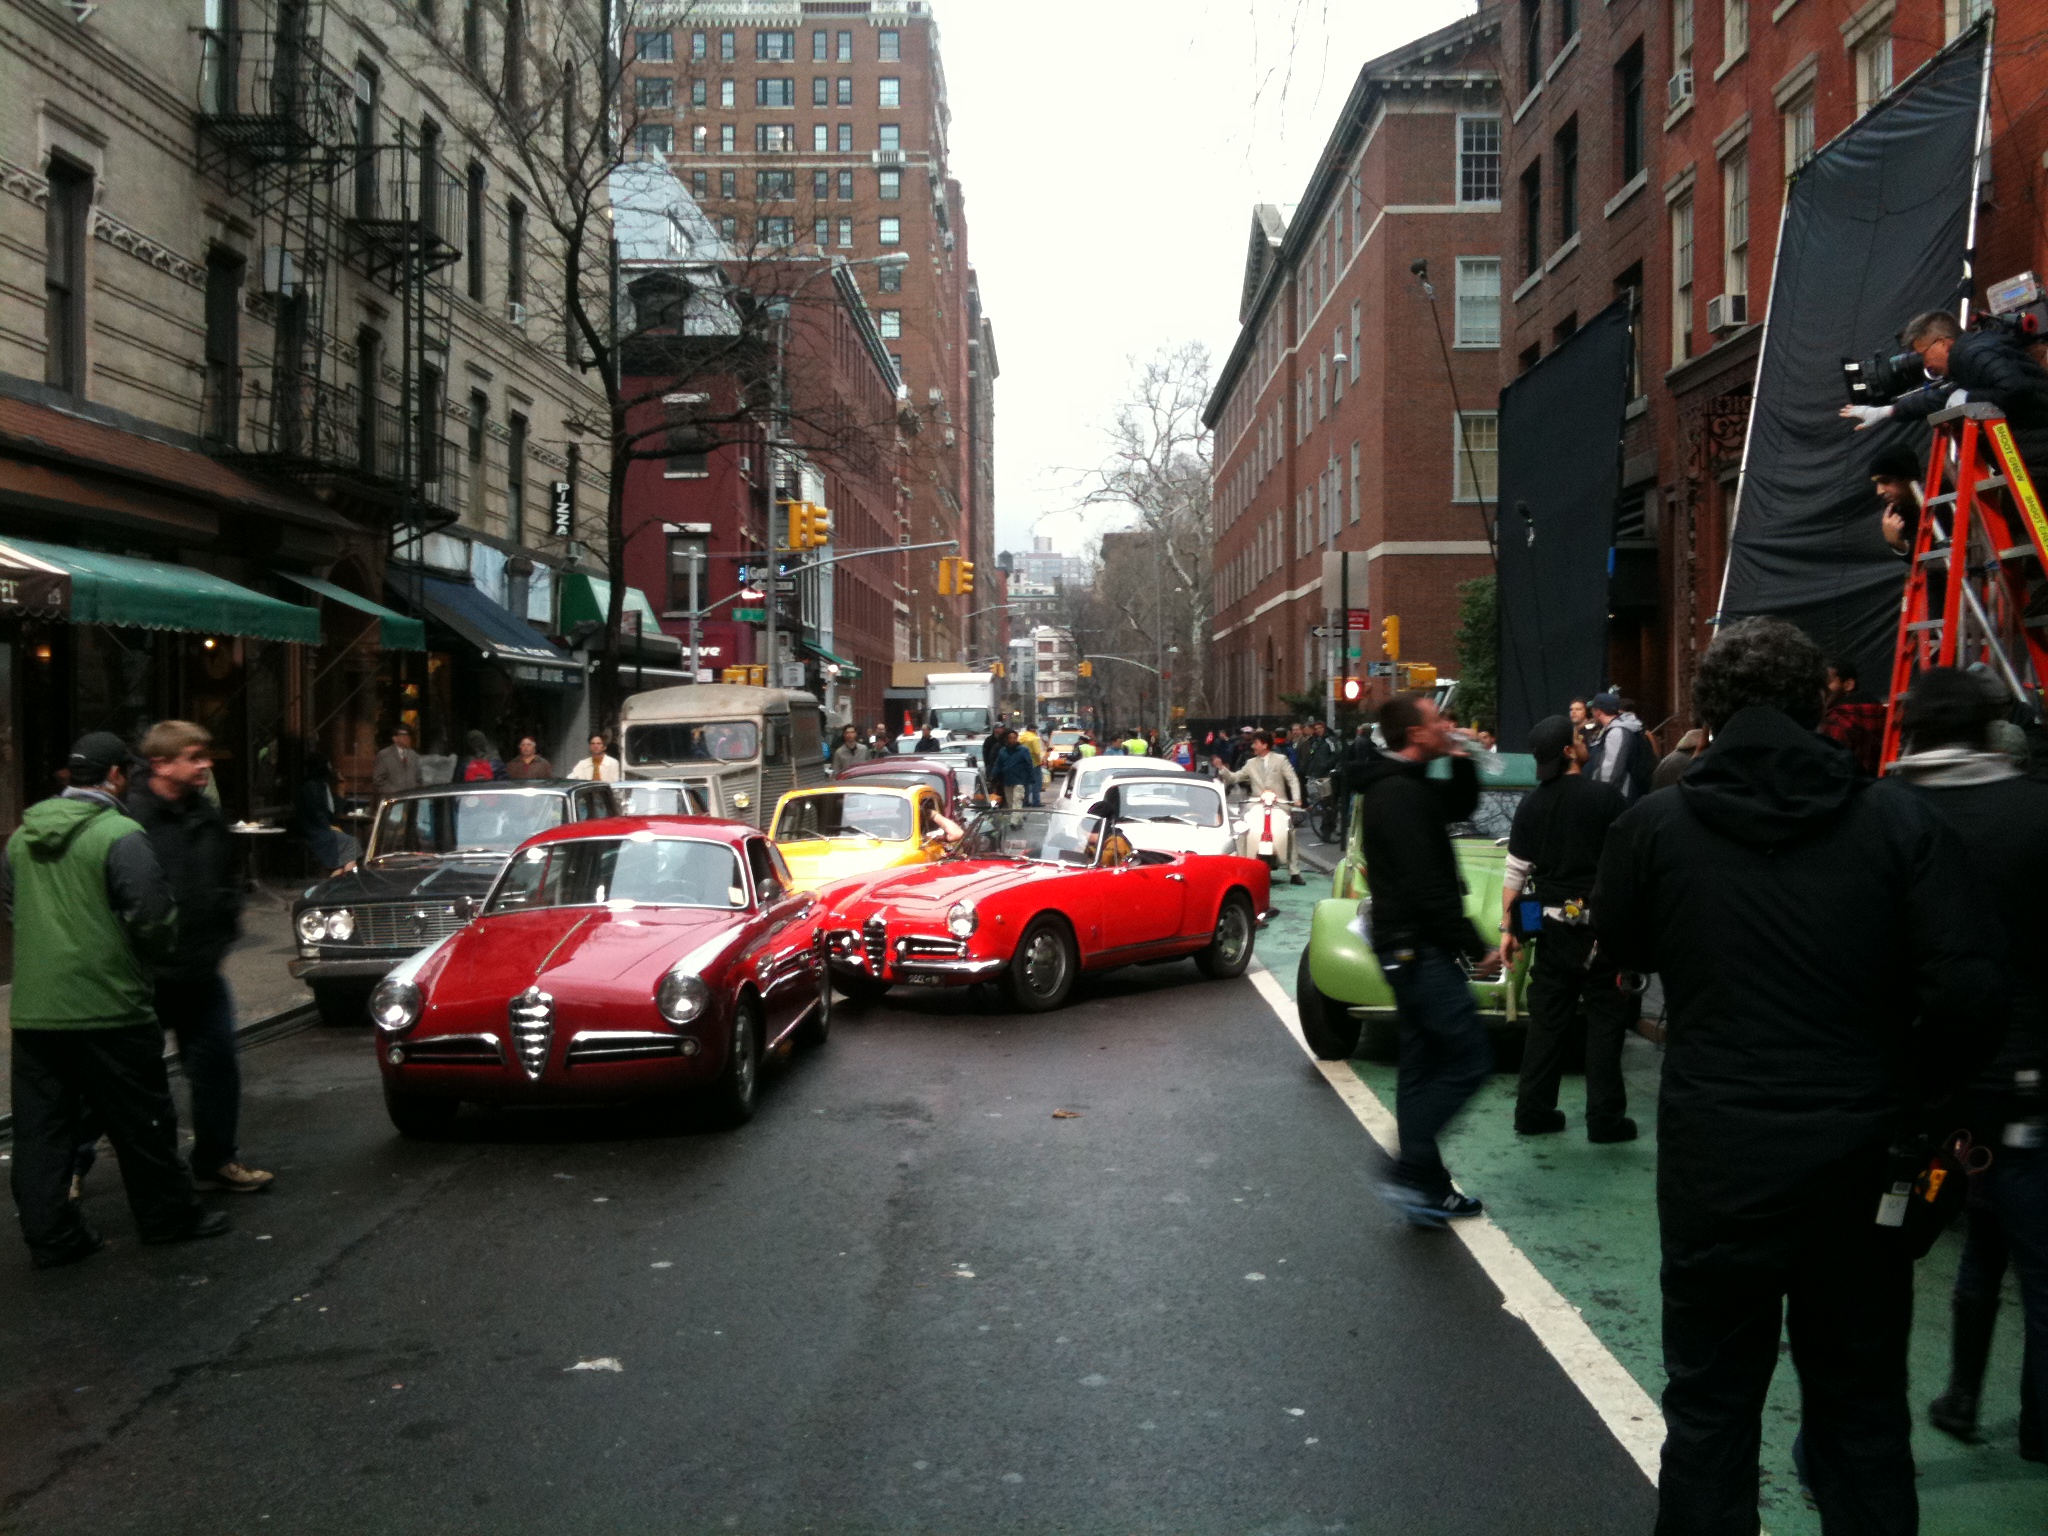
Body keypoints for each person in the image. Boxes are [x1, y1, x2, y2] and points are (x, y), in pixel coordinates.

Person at [1592, 616, 2008, 1535]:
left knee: (1709, 1413)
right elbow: (1971, 991)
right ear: (1820, 701)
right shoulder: (1898, 821)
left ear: (1709, 712)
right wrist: (1921, 1090)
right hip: (1860, 1159)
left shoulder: (1657, 827)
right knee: (1860, 1414)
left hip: (1717, 1157)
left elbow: (1617, 947)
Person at [1886, 667, 2048, 1462]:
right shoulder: (2035, 809)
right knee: (2032, 1253)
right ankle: (2039, 1423)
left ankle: (1943, 1402)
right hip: (2024, 1075)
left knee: (1886, 1258)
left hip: (1911, 1083)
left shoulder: (1882, 813)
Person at [6, 732, 229, 1266]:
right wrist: (143, 955)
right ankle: (167, 1217)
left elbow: (12, 903)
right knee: (143, 1121)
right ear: (113, 777)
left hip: (37, 1009)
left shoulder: (20, 837)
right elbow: (152, 917)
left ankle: (52, 1237)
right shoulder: (119, 834)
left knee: (42, 1131)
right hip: (109, 1003)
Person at [1352, 695, 1498, 1225]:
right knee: (1469, 1059)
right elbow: (1430, 888)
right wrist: (1474, 944)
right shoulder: (1399, 796)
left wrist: (1461, 759)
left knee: (1420, 1068)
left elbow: (1458, 807)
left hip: (1405, 949)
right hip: (1418, 949)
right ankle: (1408, 1169)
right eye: (1439, 722)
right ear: (1416, 734)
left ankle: (1430, 1190)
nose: (1448, 726)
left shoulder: (1403, 788)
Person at [124, 722, 271, 1195]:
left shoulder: (207, 815)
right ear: (162, 764)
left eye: (206, 755)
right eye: (195, 756)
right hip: (145, 974)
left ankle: (215, 1158)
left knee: (216, 1066)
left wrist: (225, 920)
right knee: (121, 1075)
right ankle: (75, 1166)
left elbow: (228, 874)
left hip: (202, 970)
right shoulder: (130, 821)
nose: (206, 764)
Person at [1499, 716, 1635, 1142]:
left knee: (1546, 1022)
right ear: (1567, 751)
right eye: (1579, 737)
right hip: (1601, 928)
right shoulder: (1607, 799)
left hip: (1548, 924)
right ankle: (1605, 1120)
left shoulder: (1532, 805)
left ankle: (1533, 1112)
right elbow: (1629, 866)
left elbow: (1516, 875)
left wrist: (1510, 930)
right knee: (1605, 1022)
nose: (1585, 740)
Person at [1843, 309, 2048, 475]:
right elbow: (1942, 399)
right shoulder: (1968, 358)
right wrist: (1887, 411)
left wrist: (1969, 398)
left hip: (2038, 457)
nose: (1925, 365)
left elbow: (2015, 387)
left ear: (1942, 343)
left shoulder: (1971, 354)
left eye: (1922, 355)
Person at [1212, 730, 1306, 884]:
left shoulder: (1281, 760)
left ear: (1265, 744)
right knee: (1243, 829)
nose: (1253, 746)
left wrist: (1297, 800)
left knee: (1290, 831)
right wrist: (1222, 768)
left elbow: (1292, 779)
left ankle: (1294, 871)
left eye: (1256, 743)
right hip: (1256, 803)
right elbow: (1235, 777)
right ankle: (1241, 864)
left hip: (1279, 803)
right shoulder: (1250, 763)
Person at [294, 748, 359, 875]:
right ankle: (344, 874)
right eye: (328, 765)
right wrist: (328, 827)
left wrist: (341, 789)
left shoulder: (323, 786)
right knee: (351, 842)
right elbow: (317, 813)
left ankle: (341, 872)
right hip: (314, 830)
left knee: (350, 844)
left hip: (324, 827)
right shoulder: (311, 787)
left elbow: (333, 811)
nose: (330, 768)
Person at [1817, 657, 1886, 777]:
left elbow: (1827, 768)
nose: (1821, 689)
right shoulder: (1880, 712)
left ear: (1848, 685)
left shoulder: (1838, 719)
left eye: (1827, 682)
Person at [1584, 692, 1654, 803]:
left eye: (1593, 710)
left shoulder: (1617, 732)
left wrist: (1601, 799)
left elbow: (1611, 773)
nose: (1591, 713)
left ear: (1598, 712)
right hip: (1624, 796)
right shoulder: (1618, 728)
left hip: (1620, 798)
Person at [1871, 445, 1924, 557]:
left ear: (1908, 478)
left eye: (1886, 481)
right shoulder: (1899, 510)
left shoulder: (1941, 499)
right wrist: (1898, 544)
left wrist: (1898, 543)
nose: (1879, 491)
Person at [371, 725, 422, 802]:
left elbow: (419, 778)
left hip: (411, 799)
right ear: (395, 738)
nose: (406, 738)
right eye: (403, 735)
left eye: (408, 735)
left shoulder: (413, 755)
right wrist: (394, 792)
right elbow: (378, 780)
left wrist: (415, 791)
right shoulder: (385, 755)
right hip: (392, 799)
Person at [994, 729, 1036, 809]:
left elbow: (1029, 764)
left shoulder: (1023, 750)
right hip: (1007, 780)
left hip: (1019, 780)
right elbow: (998, 764)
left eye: (1014, 738)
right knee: (1010, 803)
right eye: (1010, 738)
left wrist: (1031, 777)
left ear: (1017, 739)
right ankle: (1017, 819)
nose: (1012, 740)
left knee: (1017, 801)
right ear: (1007, 739)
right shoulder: (1003, 751)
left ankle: (1014, 821)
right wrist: (994, 775)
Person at [1018, 725, 1045, 806]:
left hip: (1023, 763)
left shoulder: (1021, 738)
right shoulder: (1034, 738)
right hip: (1034, 763)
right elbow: (1037, 752)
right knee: (1036, 782)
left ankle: (1025, 801)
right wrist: (1039, 761)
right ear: (1033, 730)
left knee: (1025, 783)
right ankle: (1036, 801)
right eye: (1035, 729)